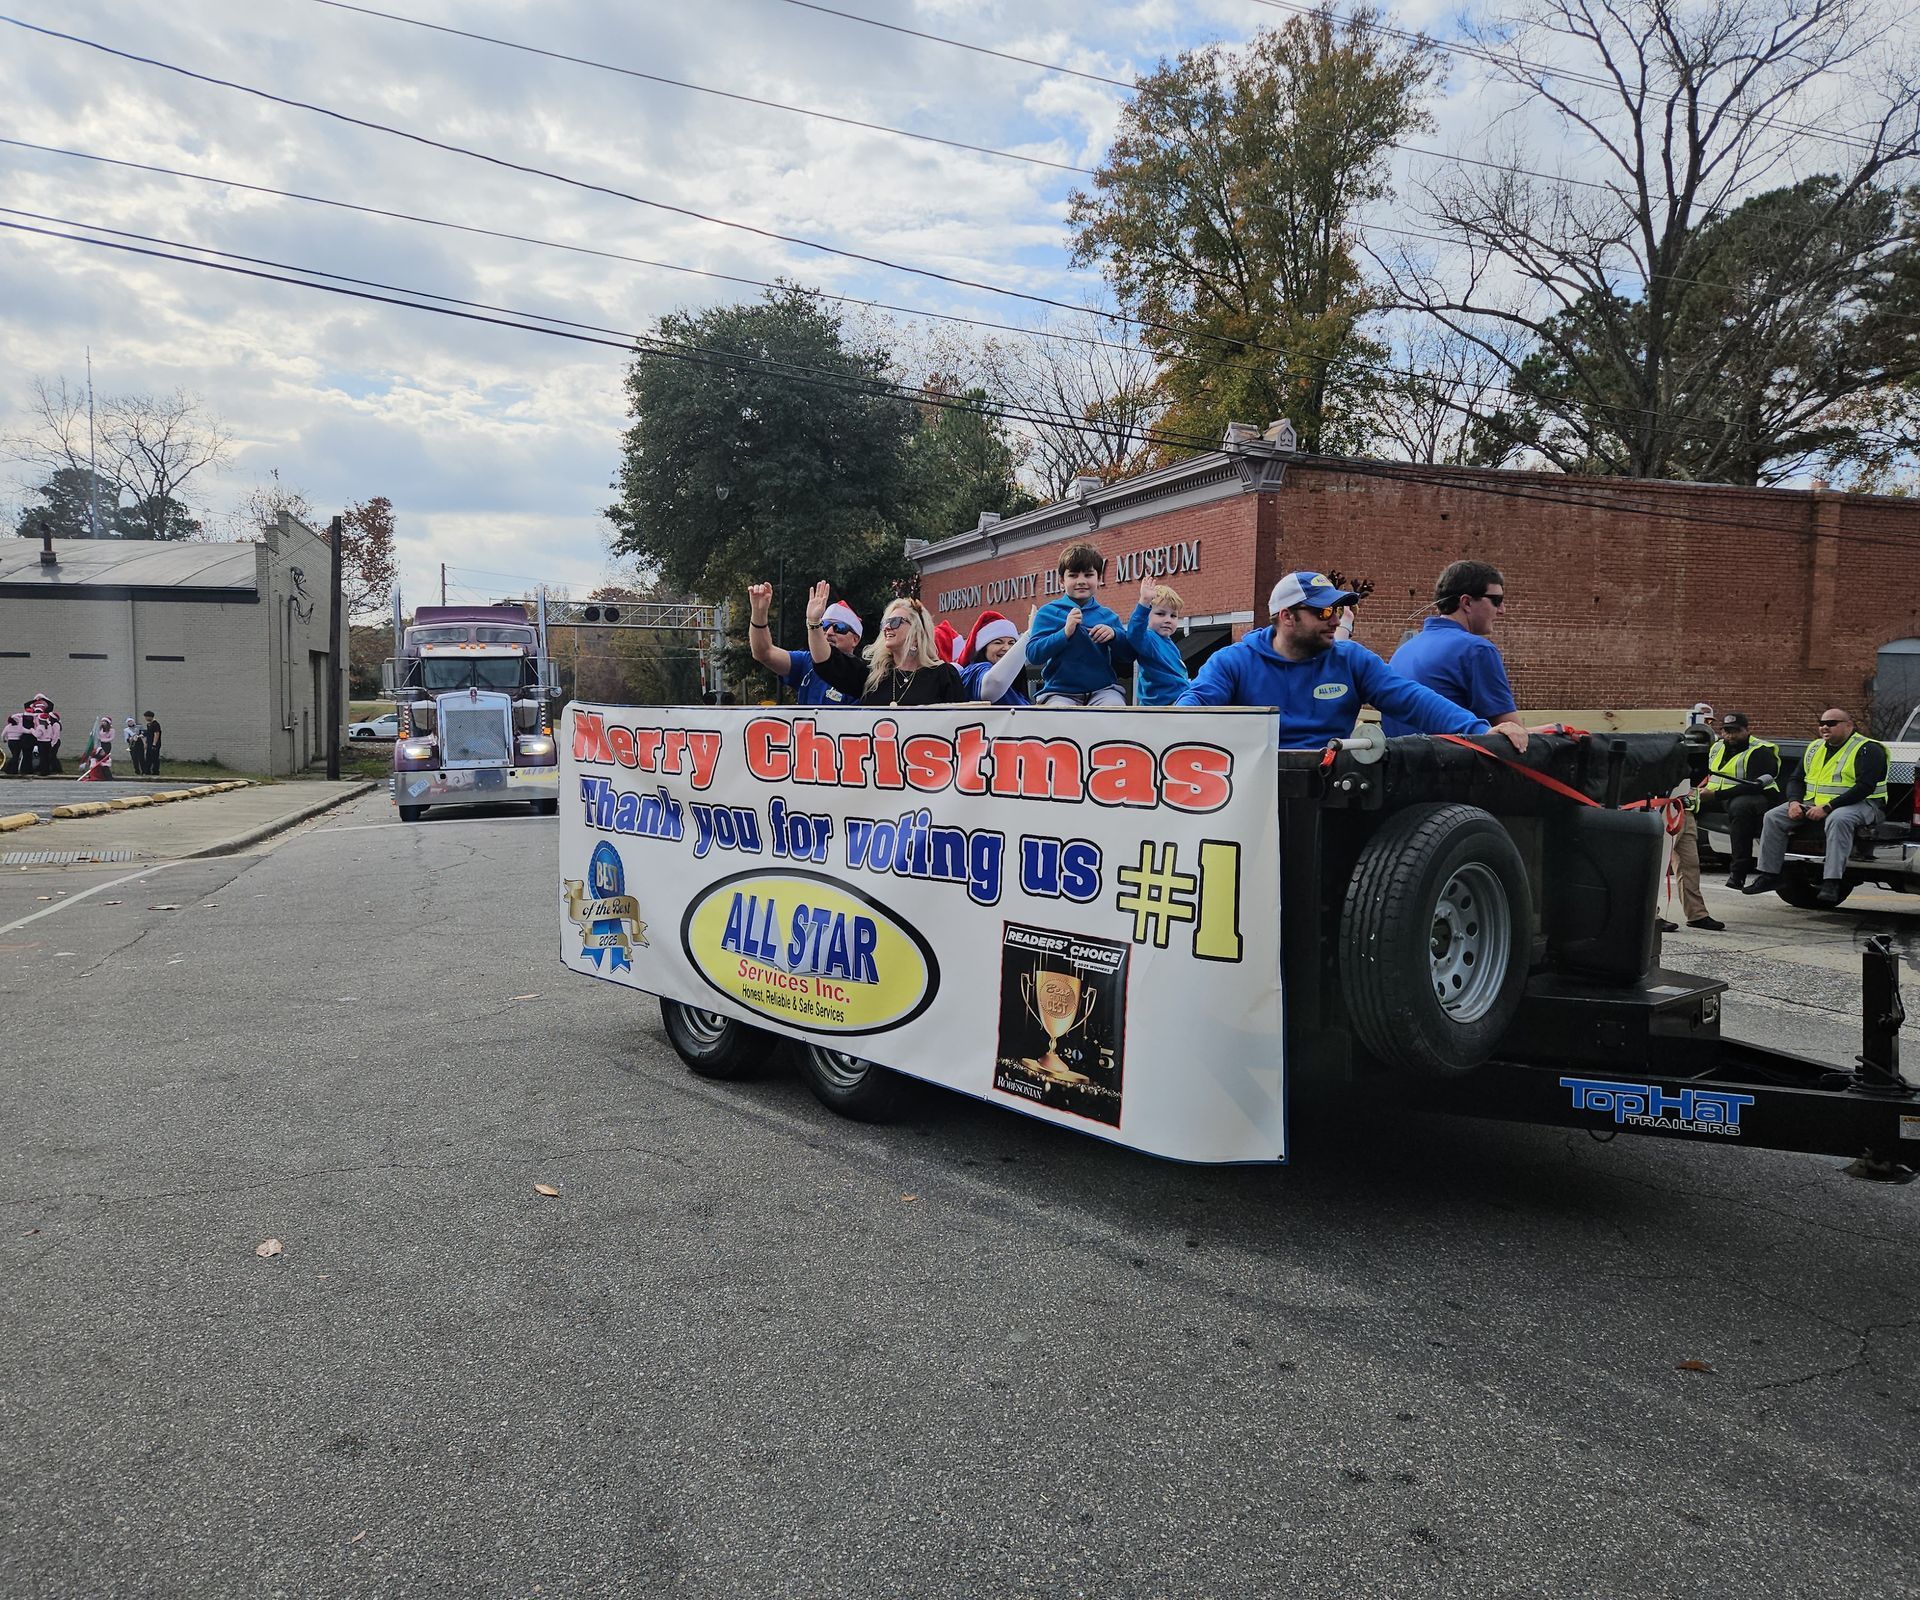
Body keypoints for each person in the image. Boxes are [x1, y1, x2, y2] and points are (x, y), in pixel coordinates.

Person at [1176, 571, 1517, 750]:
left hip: (1332, 788)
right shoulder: (1232, 662)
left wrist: (1481, 730)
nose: (1336, 620)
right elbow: (1191, 709)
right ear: (1287, 616)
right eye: (1324, 611)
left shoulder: (1351, 659)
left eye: (1338, 610)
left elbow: (1412, 699)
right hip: (1256, 795)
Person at [1743, 707, 1888, 906]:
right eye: (1821, 723)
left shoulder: (1868, 749)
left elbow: (1865, 787)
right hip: (1816, 802)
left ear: (1848, 725)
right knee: (1773, 816)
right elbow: (1796, 779)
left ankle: (1832, 882)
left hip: (1862, 803)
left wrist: (1828, 807)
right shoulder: (1815, 748)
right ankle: (1770, 875)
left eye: (1831, 723)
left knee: (1839, 819)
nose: (1824, 727)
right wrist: (1794, 802)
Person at [1382, 560, 1528, 751]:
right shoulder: (1477, 650)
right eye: (1496, 601)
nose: (1502, 610)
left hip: (1398, 770)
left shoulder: (1406, 648)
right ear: (1466, 602)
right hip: (1448, 772)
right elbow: (1515, 737)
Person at [807, 584, 967, 707]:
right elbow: (825, 663)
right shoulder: (872, 674)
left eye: (895, 622)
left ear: (917, 631)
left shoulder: (944, 675)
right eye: (885, 623)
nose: (887, 627)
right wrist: (814, 623)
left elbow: (959, 728)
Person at [1026, 543, 1136, 707]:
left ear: (1099, 579)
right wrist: (1064, 633)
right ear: (1062, 581)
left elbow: (1128, 655)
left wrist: (1114, 635)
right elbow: (1033, 655)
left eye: (1088, 574)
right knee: (1060, 716)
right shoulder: (1048, 612)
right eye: (1074, 575)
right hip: (1059, 693)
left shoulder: (1108, 616)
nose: (1081, 581)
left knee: (1115, 711)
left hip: (1103, 691)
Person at [1698, 711, 1780, 890]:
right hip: (1716, 795)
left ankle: (1738, 873)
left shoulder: (1760, 751)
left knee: (1741, 808)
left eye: (1735, 731)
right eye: (1726, 730)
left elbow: (1753, 785)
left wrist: (1715, 795)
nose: (1730, 735)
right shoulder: (1717, 747)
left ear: (1747, 730)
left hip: (1755, 797)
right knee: (1684, 804)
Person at [746, 583, 858, 706]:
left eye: (839, 627)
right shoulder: (807, 661)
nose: (829, 632)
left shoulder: (863, 676)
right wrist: (758, 613)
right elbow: (764, 653)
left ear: (855, 640)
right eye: (824, 626)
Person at [1125, 576, 1191, 707]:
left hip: (1177, 699)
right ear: (1147, 615)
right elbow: (1134, 633)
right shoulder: (1148, 638)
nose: (1168, 620)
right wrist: (1144, 602)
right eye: (1160, 614)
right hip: (1162, 705)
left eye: (1173, 616)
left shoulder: (1168, 642)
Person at [955, 610, 1031, 706]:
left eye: (1012, 643)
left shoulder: (1014, 687)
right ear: (983, 648)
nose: (1007, 648)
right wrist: (1028, 636)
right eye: (998, 642)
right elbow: (994, 684)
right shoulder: (975, 671)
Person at [140, 710, 163, 775]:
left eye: (146, 717)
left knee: (155, 758)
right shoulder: (149, 725)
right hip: (149, 743)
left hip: (154, 744)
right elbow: (148, 734)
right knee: (148, 757)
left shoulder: (155, 724)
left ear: (150, 717)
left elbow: (156, 734)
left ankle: (155, 771)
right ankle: (147, 771)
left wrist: (154, 744)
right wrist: (146, 743)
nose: (146, 719)